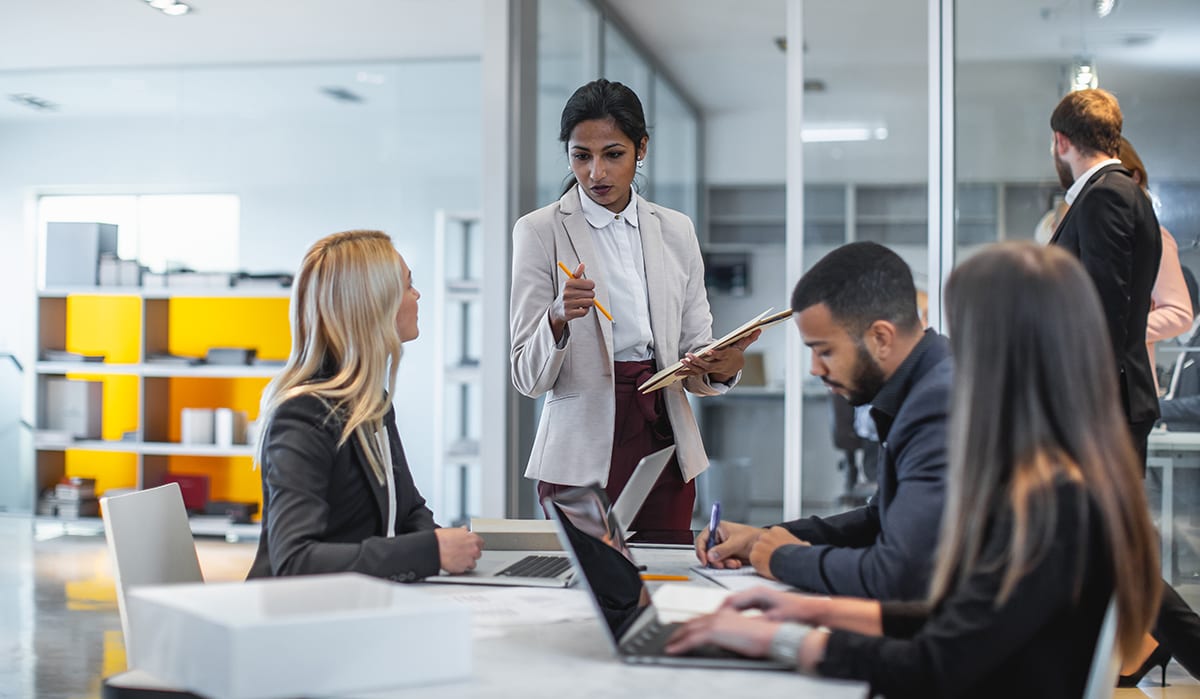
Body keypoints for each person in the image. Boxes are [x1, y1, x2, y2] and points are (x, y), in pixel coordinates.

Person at [668, 242, 1162, 699]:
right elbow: (963, 620)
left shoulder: (1052, 507)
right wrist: (806, 610)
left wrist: (778, 640)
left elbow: (932, 662)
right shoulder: (1065, 478)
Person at [510, 78, 758, 531]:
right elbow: (526, 376)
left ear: (641, 148)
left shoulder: (676, 230)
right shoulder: (538, 231)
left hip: (662, 432)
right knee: (589, 585)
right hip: (578, 452)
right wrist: (557, 318)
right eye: (581, 156)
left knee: (666, 575)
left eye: (613, 154)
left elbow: (694, 353)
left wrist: (722, 364)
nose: (595, 173)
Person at [696, 242, 951, 601]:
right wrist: (762, 538)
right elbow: (881, 518)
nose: (815, 369)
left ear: (881, 337)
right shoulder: (925, 384)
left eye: (825, 350)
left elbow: (899, 575)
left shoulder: (939, 405)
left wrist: (787, 558)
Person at [247, 230, 483, 581]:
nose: (417, 295)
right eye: (407, 285)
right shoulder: (303, 416)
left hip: (358, 608)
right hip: (297, 623)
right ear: (375, 304)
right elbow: (295, 561)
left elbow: (406, 511)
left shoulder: (373, 404)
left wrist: (449, 546)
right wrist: (431, 552)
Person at [1048, 88, 1162, 466]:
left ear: (1061, 141)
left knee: (1097, 523)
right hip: (1111, 398)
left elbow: (1104, 303)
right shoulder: (1125, 192)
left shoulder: (1105, 195)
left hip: (1101, 404)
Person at [1118, 137, 1192, 390]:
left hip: (1127, 386)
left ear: (1135, 177)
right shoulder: (1086, 235)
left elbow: (1179, 313)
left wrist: (1119, 331)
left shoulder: (1153, 237)